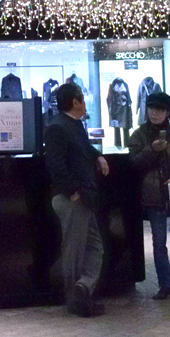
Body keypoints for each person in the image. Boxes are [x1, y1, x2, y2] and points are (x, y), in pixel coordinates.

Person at [44, 80, 110, 317]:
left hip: (83, 198)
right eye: (82, 98)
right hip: (72, 199)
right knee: (74, 250)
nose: (85, 102)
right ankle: (74, 299)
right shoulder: (57, 127)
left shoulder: (73, 125)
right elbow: (55, 164)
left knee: (94, 247)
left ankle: (82, 289)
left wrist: (99, 156)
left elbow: (82, 150)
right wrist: (73, 191)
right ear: (75, 102)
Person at [128, 91, 170, 301]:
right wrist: (152, 150)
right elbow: (133, 164)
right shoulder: (139, 135)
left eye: (159, 110)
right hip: (154, 196)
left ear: (168, 112)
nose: (154, 114)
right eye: (151, 109)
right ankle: (165, 285)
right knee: (159, 242)